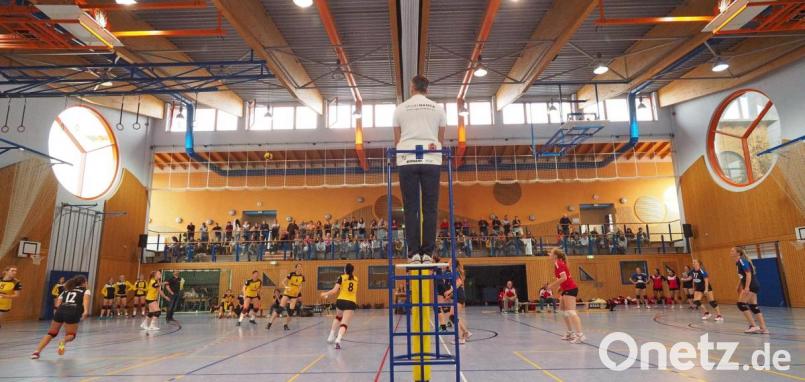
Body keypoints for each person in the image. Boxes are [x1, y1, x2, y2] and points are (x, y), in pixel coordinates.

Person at [393, 75, 446, 264]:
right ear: (427, 89)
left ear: (412, 88)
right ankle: (428, 254)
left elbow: (397, 139)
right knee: (430, 208)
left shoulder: (400, 109)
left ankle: (414, 253)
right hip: (431, 158)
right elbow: (440, 138)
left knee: (411, 208)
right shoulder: (438, 109)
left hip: (407, 159)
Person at [31, 275, 90, 359]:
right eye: (86, 282)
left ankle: (36, 352)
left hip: (61, 311)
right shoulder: (85, 291)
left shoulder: (66, 290)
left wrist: (59, 311)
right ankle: (63, 341)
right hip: (73, 312)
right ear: (83, 283)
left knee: (51, 333)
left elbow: (58, 303)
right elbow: (85, 301)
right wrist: (86, 311)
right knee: (71, 335)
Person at [547, 248, 585, 344]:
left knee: (571, 312)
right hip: (566, 289)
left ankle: (580, 335)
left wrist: (552, 285)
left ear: (555, 255)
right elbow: (566, 277)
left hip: (570, 289)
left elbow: (564, 278)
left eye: (550, 253)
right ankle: (570, 333)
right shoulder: (558, 263)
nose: (549, 254)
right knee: (563, 311)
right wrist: (560, 286)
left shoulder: (558, 264)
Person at [320, 263, 358, 349]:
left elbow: (334, 291)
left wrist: (325, 294)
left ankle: (331, 336)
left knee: (338, 317)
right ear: (352, 271)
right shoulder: (356, 279)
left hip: (340, 301)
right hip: (351, 302)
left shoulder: (341, 277)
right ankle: (338, 339)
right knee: (344, 323)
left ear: (345, 270)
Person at [732, 247, 768, 334]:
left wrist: (746, 287)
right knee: (753, 306)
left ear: (738, 253)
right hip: (754, 285)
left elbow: (748, 274)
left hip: (751, 285)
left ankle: (753, 326)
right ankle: (763, 328)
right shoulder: (738, 262)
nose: (731, 252)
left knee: (741, 304)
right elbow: (742, 276)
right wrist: (739, 285)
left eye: (732, 251)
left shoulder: (742, 261)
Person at [267, 263, 305, 331]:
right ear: (296, 268)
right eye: (298, 267)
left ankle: (285, 324)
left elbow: (301, 285)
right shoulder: (291, 274)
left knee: (291, 312)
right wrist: (286, 287)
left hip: (294, 295)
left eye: (301, 267)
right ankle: (270, 323)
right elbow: (283, 282)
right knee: (280, 309)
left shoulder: (302, 277)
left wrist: (298, 291)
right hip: (287, 293)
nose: (300, 268)